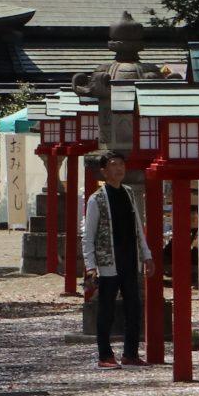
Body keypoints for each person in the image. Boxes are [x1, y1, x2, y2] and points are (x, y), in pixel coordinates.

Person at [80, 149, 151, 366]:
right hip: (108, 261)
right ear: (104, 170)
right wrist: (90, 266)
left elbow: (138, 226)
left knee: (134, 307)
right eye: (113, 164)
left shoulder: (128, 192)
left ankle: (130, 353)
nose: (118, 168)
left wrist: (146, 255)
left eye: (121, 164)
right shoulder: (97, 199)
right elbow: (88, 235)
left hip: (130, 259)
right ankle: (105, 355)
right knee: (107, 309)